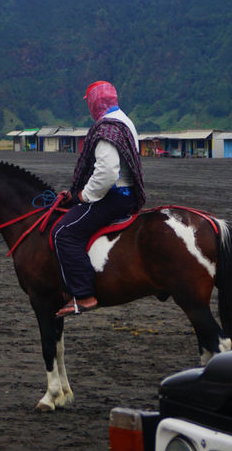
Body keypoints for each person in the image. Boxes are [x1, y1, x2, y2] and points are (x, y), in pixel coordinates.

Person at [52, 80, 145, 317]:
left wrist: (84, 195)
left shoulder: (106, 129)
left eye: (89, 104)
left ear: (94, 103)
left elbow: (107, 173)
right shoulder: (124, 120)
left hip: (113, 196)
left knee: (63, 233)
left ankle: (84, 295)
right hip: (127, 194)